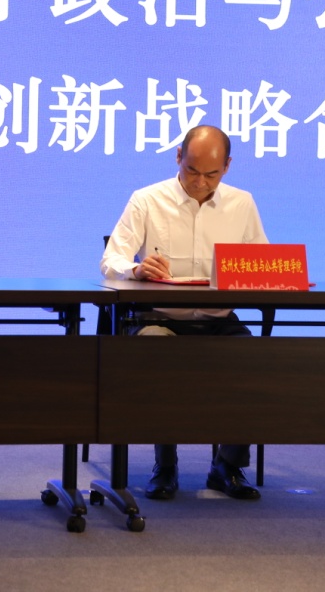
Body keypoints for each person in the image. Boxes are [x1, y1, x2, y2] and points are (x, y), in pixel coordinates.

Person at [100, 125, 267, 502]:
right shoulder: (146, 199)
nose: (200, 182)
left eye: (212, 174)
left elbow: (261, 263)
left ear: (227, 166)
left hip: (218, 320)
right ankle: (165, 465)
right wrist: (136, 269)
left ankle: (227, 466)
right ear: (178, 157)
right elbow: (111, 260)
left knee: (257, 360)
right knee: (159, 355)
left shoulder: (242, 203)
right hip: (160, 319)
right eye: (192, 170)